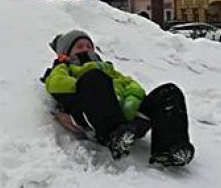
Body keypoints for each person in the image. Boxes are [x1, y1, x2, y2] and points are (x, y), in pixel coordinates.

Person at [42, 30, 195, 167]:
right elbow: (56, 84)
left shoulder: (107, 68)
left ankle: (169, 149)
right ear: (66, 53)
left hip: (128, 121)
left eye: (89, 46)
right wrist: (79, 79)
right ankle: (114, 138)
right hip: (100, 123)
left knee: (169, 92)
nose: (86, 49)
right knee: (94, 78)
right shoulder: (65, 68)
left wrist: (131, 100)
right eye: (80, 47)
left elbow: (132, 85)